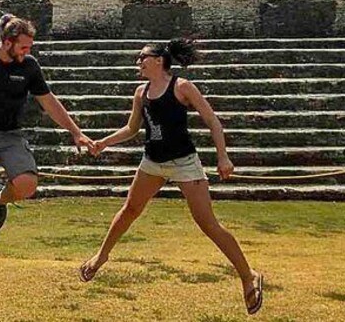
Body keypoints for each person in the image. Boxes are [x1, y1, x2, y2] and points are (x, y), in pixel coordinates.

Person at [79, 38, 263, 316]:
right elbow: (131, 128)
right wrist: (103, 142)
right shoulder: (140, 92)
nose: (138, 62)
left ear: (158, 60)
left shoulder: (182, 86)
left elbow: (213, 121)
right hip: (152, 162)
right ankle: (101, 256)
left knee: (208, 223)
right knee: (129, 210)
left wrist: (223, 157)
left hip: (184, 163)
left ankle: (249, 276)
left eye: (142, 58)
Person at [0, 13, 95, 243]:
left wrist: (76, 132)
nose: (27, 52)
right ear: (7, 42)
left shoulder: (29, 66)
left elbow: (49, 102)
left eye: (29, 47)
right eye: (23, 47)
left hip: (10, 135)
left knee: (27, 184)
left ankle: (0, 201)